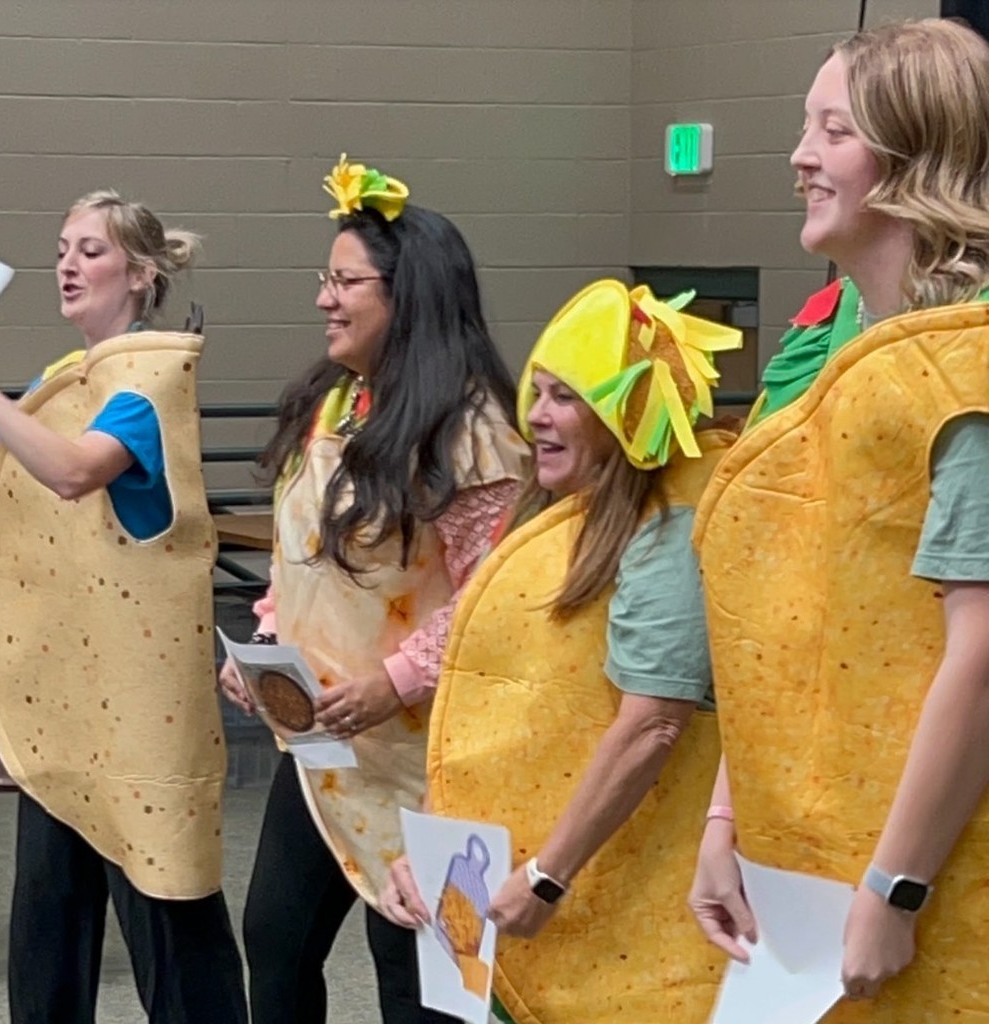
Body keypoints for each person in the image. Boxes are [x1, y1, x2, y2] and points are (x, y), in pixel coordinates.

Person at [690, 18, 989, 1021]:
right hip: (808, 856)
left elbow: (983, 651)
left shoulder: (966, 362)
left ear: (915, 155)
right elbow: (788, 615)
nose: (798, 155)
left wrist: (893, 886)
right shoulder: (838, 352)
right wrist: (729, 815)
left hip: (931, 874)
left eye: (833, 130)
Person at [217, 154, 530, 1024]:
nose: (325, 298)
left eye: (346, 281)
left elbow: (494, 600)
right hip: (321, 746)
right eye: (326, 278)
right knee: (275, 941)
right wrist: (267, 644)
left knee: (417, 976)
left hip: (429, 759)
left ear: (409, 297)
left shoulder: (475, 432)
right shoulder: (334, 405)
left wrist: (396, 679)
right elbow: (301, 555)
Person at [381, 279, 742, 1023]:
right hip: (515, 882)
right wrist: (431, 847)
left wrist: (548, 875)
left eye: (567, 397)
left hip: (618, 901)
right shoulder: (554, 524)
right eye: (538, 392)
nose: (537, 415)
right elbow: (485, 708)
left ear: (629, 412)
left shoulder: (667, 535)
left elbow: (654, 724)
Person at [0, 190, 247, 1024]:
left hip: (139, 714)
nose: (67, 263)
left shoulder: (149, 377)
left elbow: (71, 470)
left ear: (141, 272)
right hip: (64, 709)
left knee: (168, 912)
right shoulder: (64, 382)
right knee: (47, 929)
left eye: (90, 249)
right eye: (61, 247)